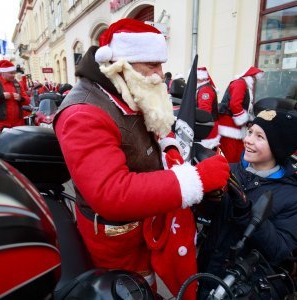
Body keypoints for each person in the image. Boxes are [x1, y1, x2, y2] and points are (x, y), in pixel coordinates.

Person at [53, 18, 230, 298]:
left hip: (144, 221)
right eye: (152, 65)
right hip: (116, 237)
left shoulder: (123, 87)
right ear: (122, 64)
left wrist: (169, 147)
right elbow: (111, 193)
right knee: (132, 289)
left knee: (148, 281)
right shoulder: (83, 113)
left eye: (161, 64)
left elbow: (154, 124)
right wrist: (196, 179)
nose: (161, 74)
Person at [197, 108, 297, 299]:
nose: (248, 140)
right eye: (250, 131)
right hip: (206, 269)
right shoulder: (230, 169)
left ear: (279, 147)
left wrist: (246, 211)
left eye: (260, 137)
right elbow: (207, 219)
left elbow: (279, 249)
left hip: (242, 286)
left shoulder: (292, 196)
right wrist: (207, 199)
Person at [218, 67, 264, 163]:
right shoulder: (240, 83)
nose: (255, 81)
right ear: (250, 77)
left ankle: (237, 174)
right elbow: (235, 104)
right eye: (254, 78)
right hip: (229, 125)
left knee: (238, 154)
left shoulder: (244, 85)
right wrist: (243, 118)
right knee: (230, 154)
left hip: (237, 126)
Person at [0, 59, 30, 133]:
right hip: (0, 124)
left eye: (14, 73)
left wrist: (21, 98)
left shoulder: (17, 84)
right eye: (11, 73)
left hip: (18, 123)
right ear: (3, 72)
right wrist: (1, 96)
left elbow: (28, 100)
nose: (13, 75)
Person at [196, 67, 220, 150]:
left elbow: (204, 112)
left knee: (206, 151)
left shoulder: (205, 90)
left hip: (207, 128)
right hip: (209, 126)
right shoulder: (203, 88)